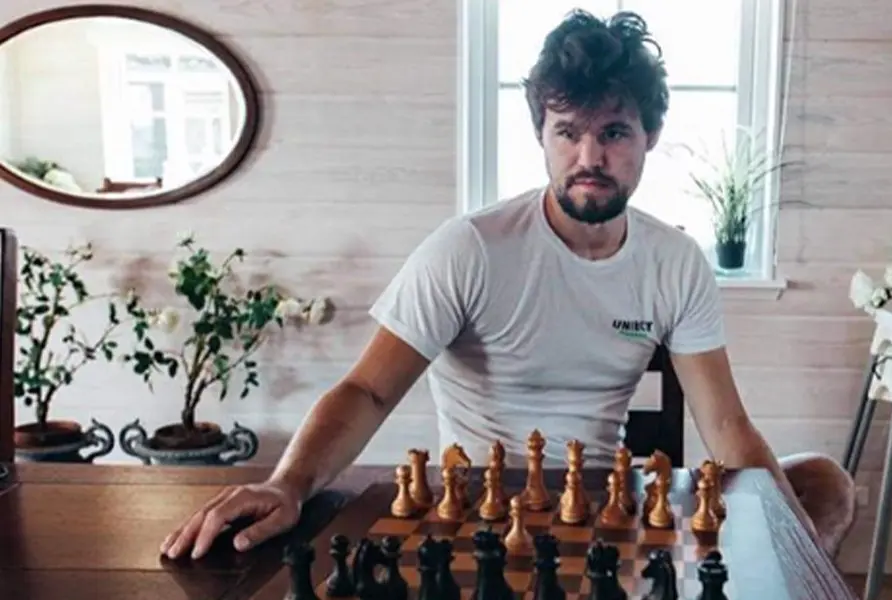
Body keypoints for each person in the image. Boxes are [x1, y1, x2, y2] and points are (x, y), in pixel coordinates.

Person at [160, 9, 855, 562]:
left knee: (822, 482)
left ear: (649, 136)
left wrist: (796, 556)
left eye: (613, 132)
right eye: (567, 132)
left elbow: (726, 425)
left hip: (602, 502)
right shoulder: (470, 248)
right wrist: (285, 484)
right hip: (482, 508)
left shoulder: (675, 260)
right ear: (541, 136)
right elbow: (368, 390)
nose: (590, 157)